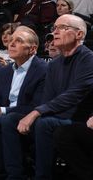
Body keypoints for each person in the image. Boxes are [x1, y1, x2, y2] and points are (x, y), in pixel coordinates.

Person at [15, 15, 93, 180]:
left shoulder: (89, 59)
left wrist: (37, 112)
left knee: (44, 123)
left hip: (79, 119)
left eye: (62, 27)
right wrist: (39, 112)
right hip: (58, 116)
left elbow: (75, 94)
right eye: (54, 28)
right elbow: (47, 98)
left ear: (79, 34)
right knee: (13, 121)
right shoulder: (54, 64)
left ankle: (42, 176)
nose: (54, 32)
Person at [0, 26, 47, 180]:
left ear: (33, 49)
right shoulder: (5, 71)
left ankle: (15, 175)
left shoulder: (43, 70)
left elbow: (37, 105)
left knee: (8, 119)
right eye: (11, 40)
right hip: (7, 115)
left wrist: (0, 110)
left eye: (19, 41)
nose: (11, 43)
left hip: (32, 118)